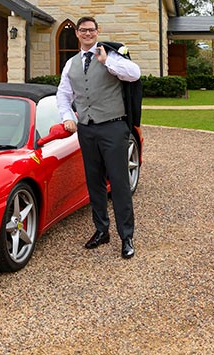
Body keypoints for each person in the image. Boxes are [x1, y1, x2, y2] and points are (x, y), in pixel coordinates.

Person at [57, 16, 141, 259]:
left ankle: (127, 236)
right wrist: (67, 116)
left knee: (119, 182)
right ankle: (101, 230)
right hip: (86, 129)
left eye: (91, 30)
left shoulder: (110, 54)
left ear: (97, 31)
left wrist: (106, 62)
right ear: (77, 33)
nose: (87, 33)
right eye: (82, 30)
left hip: (113, 127)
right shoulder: (70, 63)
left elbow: (134, 74)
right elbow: (63, 94)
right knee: (93, 181)